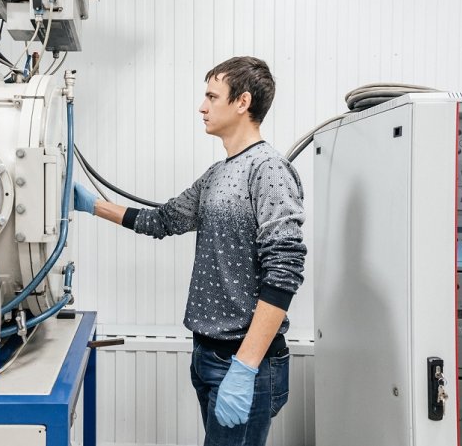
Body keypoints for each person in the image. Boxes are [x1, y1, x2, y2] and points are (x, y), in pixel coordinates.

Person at [73, 56, 306, 446]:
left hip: (246, 361)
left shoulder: (269, 169)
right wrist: (92, 205)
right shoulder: (218, 173)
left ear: (242, 102)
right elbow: (163, 221)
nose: (202, 106)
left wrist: (245, 367)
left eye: (212, 96)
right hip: (208, 355)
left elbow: (284, 272)